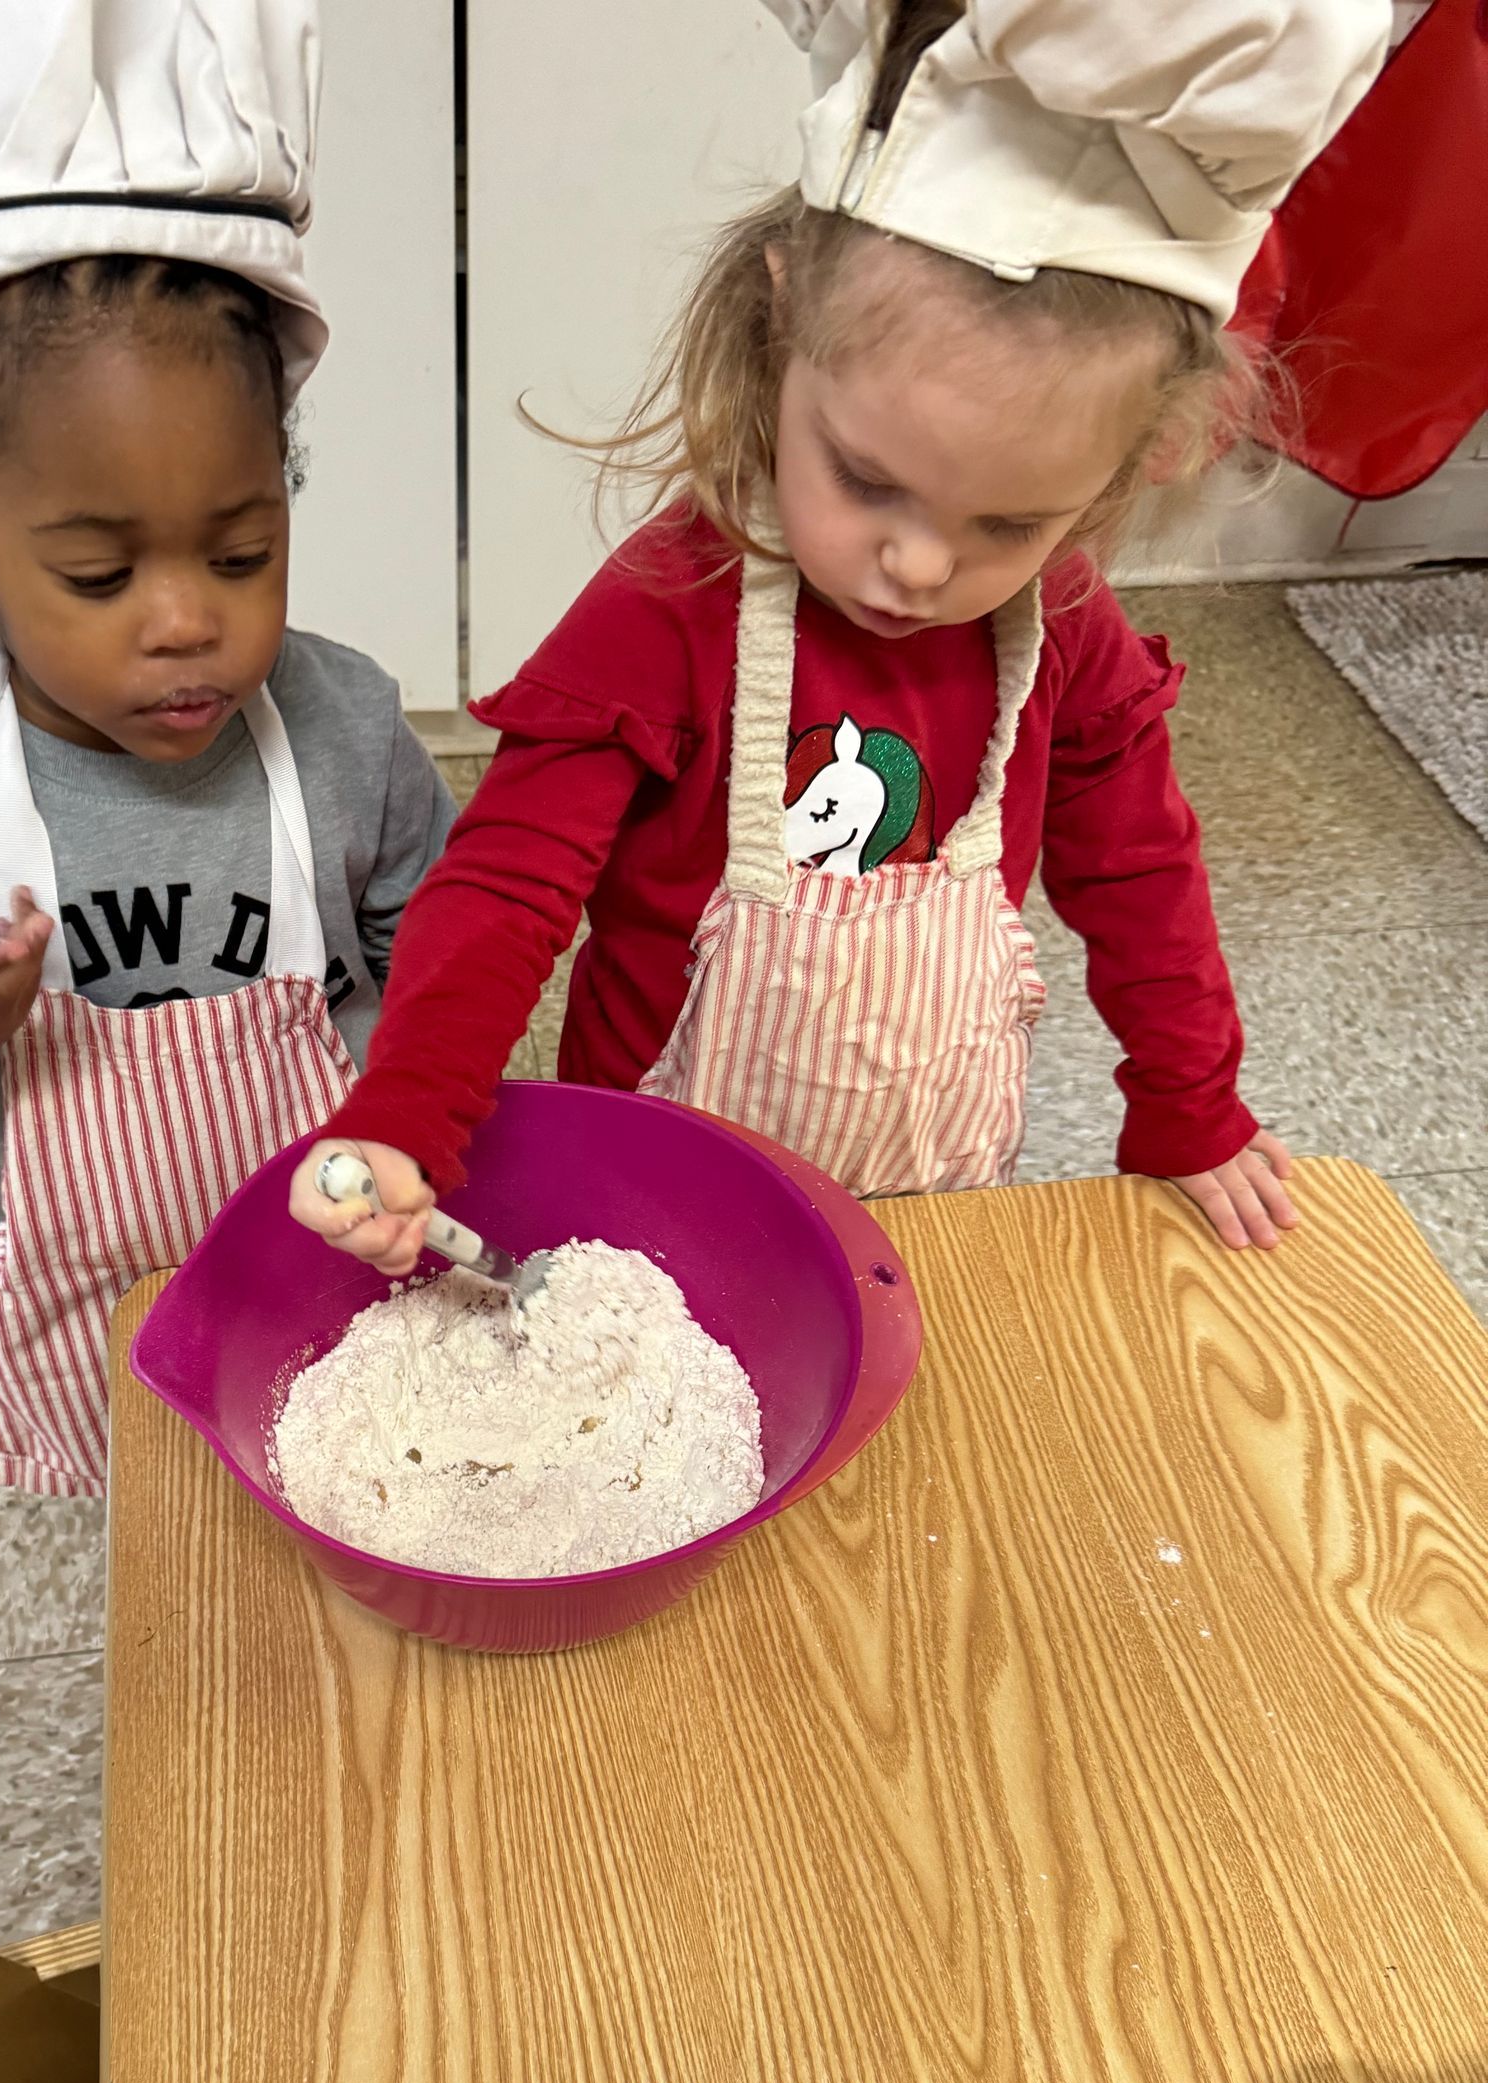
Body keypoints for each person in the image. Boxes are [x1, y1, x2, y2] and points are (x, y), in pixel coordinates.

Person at [292, 0, 1384, 1279]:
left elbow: (1140, 877)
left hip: (934, 1184)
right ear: (778, 329)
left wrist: (1189, 1103)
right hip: (659, 1171)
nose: (919, 567)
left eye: (1009, 521)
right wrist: (410, 1109)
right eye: (865, 480)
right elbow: (508, 884)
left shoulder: (1066, 632)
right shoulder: (672, 604)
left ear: (1122, 465)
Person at [0, 0, 454, 1497]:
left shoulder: (341, 725)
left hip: (337, 1249)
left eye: (243, 549)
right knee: (170, 1541)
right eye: (96, 575)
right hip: (95, 1291)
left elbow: (433, 952)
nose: (183, 624)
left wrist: (409, 1101)